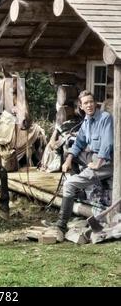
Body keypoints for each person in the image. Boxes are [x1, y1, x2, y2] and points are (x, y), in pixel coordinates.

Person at [55, 90, 114, 241]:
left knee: (68, 185)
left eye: (91, 102)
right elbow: (79, 142)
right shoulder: (87, 121)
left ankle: (61, 225)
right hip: (93, 157)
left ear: (96, 103)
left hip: (106, 161)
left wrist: (98, 163)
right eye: (85, 103)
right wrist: (68, 160)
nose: (89, 105)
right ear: (81, 106)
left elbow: (107, 144)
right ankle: (80, 190)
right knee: (70, 150)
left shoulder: (105, 118)